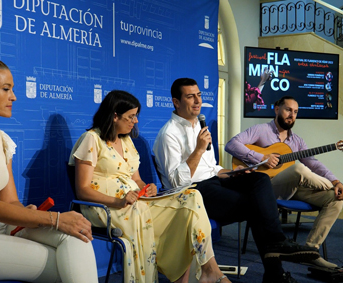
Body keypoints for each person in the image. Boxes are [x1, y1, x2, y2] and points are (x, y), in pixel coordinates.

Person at [153, 78, 320, 283]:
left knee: (258, 179)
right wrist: (198, 149)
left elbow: (211, 168)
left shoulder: (200, 126)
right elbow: (176, 182)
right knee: (255, 206)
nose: (197, 101)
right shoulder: (168, 134)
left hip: (214, 181)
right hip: (191, 193)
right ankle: (275, 269)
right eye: (190, 96)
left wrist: (233, 172)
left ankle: (276, 250)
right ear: (176, 102)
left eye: (199, 95)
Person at [68, 90, 230, 283]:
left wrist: (147, 187)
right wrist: (118, 201)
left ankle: (208, 270)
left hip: (135, 202)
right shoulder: (91, 139)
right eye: (131, 116)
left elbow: (136, 180)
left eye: (136, 115)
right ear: (114, 116)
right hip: (105, 207)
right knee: (140, 211)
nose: (135, 121)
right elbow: (83, 190)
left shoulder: (127, 140)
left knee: (191, 197)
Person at [0, 56, 98, 283]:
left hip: (0, 228)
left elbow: (10, 202)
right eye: (6, 89)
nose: (13, 96)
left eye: (12, 89)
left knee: (75, 239)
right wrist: (54, 219)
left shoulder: (2, 140)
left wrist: (29, 213)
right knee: (64, 264)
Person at [225, 95, 343, 268]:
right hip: (264, 189)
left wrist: (335, 180)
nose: (292, 115)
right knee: (298, 169)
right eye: (288, 110)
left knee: (334, 199)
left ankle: (310, 251)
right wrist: (262, 157)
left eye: (295, 112)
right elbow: (231, 144)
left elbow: (314, 163)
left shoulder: (297, 141)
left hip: (291, 188)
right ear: (276, 109)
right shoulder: (261, 130)